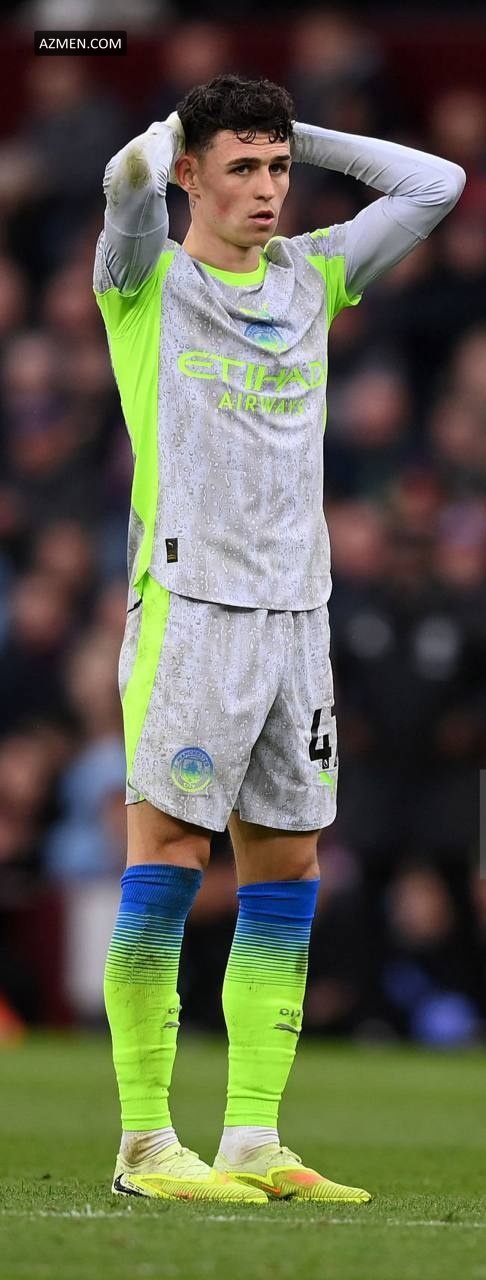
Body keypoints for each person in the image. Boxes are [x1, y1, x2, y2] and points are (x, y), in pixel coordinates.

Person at [93, 73, 465, 1204]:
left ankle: (253, 1133)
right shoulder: (144, 279)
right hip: (191, 609)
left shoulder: (314, 274)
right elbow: (123, 183)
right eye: (243, 167)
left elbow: (438, 183)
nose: (268, 188)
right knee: (168, 857)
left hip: (298, 614)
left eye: (279, 167)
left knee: (290, 866)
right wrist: (174, 137)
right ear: (192, 174)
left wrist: (299, 131)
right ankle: (145, 1143)